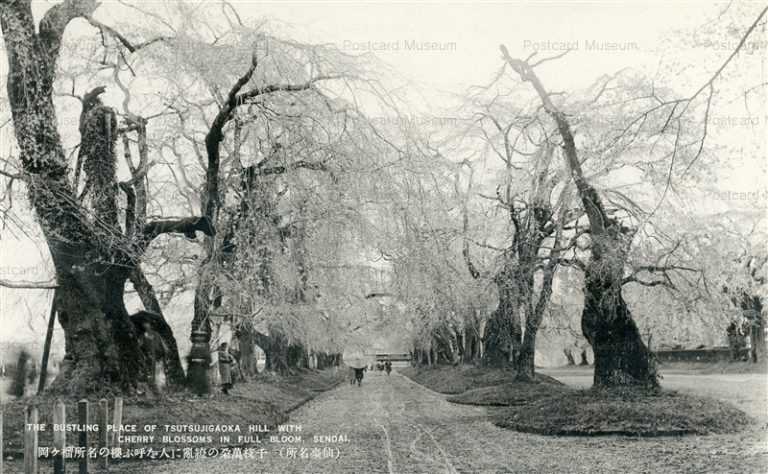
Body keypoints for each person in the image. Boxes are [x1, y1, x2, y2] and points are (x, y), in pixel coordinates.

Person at [138, 321, 166, 395]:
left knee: (156, 373)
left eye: (147, 323)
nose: (145, 325)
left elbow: (161, 345)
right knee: (148, 373)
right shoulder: (142, 335)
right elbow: (139, 345)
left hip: (156, 356)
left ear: (150, 325)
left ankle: (157, 390)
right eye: (144, 324)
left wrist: (160, 353)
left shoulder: (156, 334)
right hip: (147, 356)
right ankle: (149, 390)